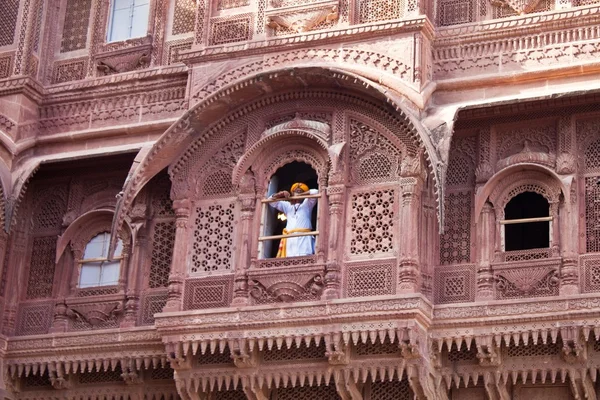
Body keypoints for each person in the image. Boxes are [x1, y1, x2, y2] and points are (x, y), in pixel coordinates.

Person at [269, 182, 319, 257]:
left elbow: (316, 192)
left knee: (305, 258)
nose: (298, 193)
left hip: (304, 238)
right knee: (290, 259)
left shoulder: (307, 204)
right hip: (290, 239)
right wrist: (281, 194)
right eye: (296, 191)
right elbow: (271, 201)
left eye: (300, 191)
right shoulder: (288, 206)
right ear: (292, 193)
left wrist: (301, 195)